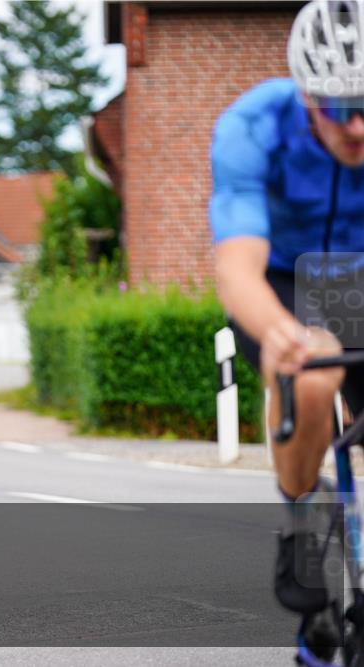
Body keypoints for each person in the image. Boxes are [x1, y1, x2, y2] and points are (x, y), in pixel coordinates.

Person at [209, 0, 364, 643]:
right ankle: (299, 513)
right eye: (339, 107)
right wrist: (279, 332)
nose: (357, 127)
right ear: (306, 96)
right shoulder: (253, 126)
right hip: (282, 279)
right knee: (312, 374)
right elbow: (237, 267)